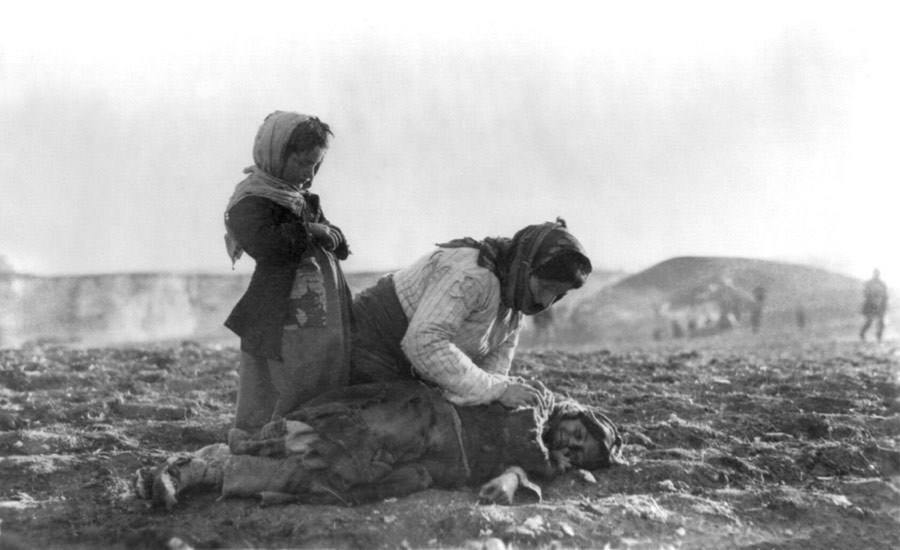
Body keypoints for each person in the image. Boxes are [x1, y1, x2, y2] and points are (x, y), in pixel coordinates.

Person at [136, 380, 623, 509]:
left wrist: (520, 477)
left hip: (431, 464)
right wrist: (541, 462)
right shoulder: (537, 403)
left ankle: (192, 475)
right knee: (328, 441)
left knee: (331, 480)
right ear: (573, 413)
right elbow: (523, 433)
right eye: (577, 433)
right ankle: (191, 466)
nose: (570, 444)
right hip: (422, 420)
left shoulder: (543, 463)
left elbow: (519, 473)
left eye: (581, 452)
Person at [350, 218, 592, 408]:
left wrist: (504, 393)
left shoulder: (513, 306)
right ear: (527, 265)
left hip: (411, 364)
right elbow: (424, 343)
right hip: (370, 342)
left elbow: (493, 372)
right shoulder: (472, 274)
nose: (545, 301)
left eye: (559, 295)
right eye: (547, 287)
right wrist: (498, 391)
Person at [223, 111, 353, 434]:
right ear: (275, 155)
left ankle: (308, 432)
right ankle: (263, 444)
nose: (310, 174)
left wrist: (335, 238)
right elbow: (266, 244)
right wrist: (311, 231)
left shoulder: (302, 200)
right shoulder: (250, 201)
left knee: (320, 371)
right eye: (302, 163)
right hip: (278, 311)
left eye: (316, 165)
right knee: (276, 383)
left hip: (318, 311)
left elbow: (332, 238)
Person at [860, 269, 888, 342]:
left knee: (881, 322)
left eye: (878, 274)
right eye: (875, 274)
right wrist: (872, 299)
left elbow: (885, 295)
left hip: (880, 305)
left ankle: (879, 337)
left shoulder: (882, 284)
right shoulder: (869, 283)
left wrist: (883, 304)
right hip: (870, 305)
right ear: (873, 274)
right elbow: (865, 293)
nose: (876, 275)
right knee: (869, 321)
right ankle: (862, 334)